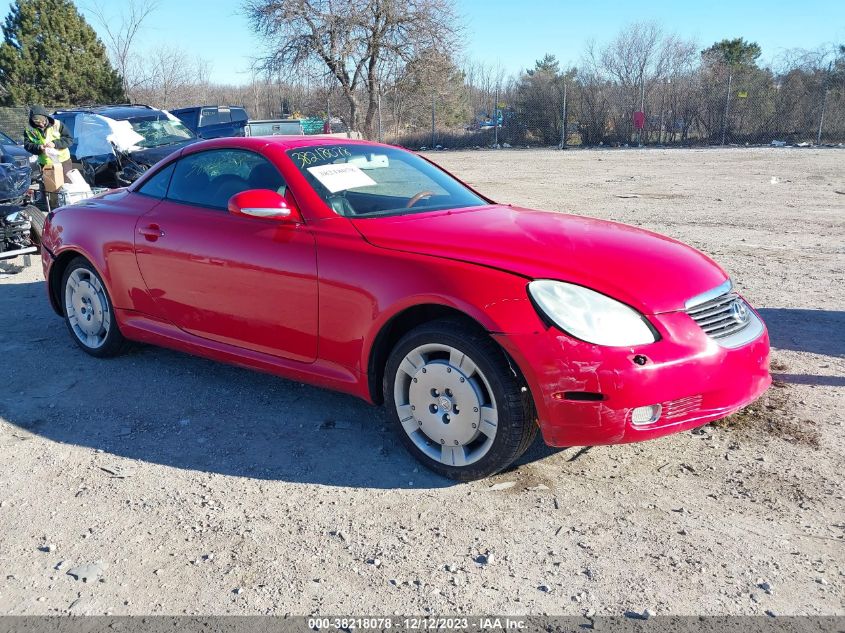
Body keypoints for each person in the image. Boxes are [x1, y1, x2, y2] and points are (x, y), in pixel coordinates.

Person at [23, 105, 73, 177]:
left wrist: (55, 144)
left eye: (43, 121)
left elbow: (69, 139)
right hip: (45, 164)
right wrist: (39, 147)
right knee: (51, 186)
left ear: (46, 117)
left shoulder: (58, 124)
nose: (41, 124)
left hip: (63, 161)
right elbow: (27, 145)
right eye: (37, 123)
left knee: (67, 185)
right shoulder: (29, 130)